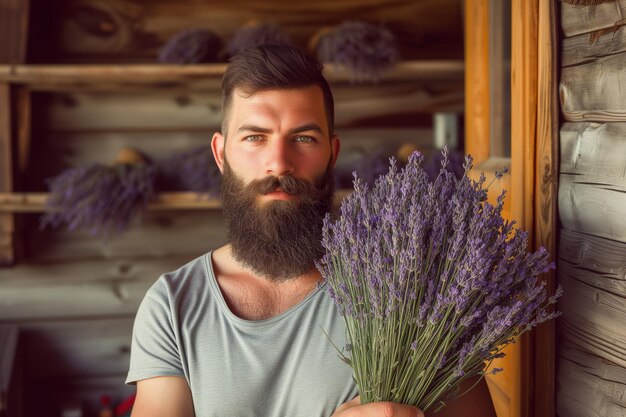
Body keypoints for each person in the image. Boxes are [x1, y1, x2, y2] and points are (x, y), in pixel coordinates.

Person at [126, 45, 497, 417]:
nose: (279, 163)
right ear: (221, 154)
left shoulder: (415, 291)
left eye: (303, 138)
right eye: (255, 137)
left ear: (332, 154)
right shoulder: (173, 306)